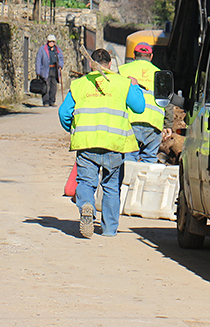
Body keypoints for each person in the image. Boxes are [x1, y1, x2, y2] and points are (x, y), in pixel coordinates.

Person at [58, 49, 145, 238]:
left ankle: (87, 205)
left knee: (86, 182)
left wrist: (73, 129)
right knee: (111, 186)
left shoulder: (79, 85)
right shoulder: (123, 84)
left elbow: (64, 113)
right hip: (114, 144)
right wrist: (135, 86)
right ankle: (109, 229)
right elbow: (139, 107)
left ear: (91, 64)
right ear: (110, 64)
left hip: (87, 143)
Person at [118, 42, 166, 163]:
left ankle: (128, 181)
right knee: (149, 159)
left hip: (129, 122)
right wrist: (168, 125)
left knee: (128, 159)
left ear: (134, 55)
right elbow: (167, 101)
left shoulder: (122, 70)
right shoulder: (160, 74)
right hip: (153, 123)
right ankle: (146, 181)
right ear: (151, 57)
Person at [36, 34, 64, 107]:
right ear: (47, 42)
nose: (51, 43)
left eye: (53, 41)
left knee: (53, 86)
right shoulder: (42, 49)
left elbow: (61, 58)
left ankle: (52, 101)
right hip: (45, 70)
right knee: (46, 86)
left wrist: (60, 65)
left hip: (54, 69)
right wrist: (38, 71)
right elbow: (38, 60)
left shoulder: (57, 50)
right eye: (50, 41)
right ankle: (46, 101)